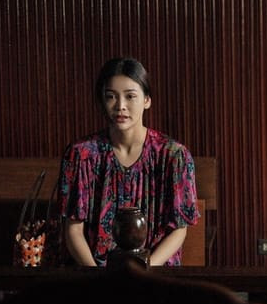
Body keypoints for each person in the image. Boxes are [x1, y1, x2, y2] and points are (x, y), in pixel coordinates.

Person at [57, 57, 200, 267]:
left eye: (130, 96)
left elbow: (179, 230)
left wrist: (144, 272)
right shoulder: (81, 155)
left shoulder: (173, 156)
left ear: (147, 100)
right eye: (111, 97)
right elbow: (73, 230)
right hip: (94, 275)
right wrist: (97, 277)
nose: (120, 106)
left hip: (154, 273)